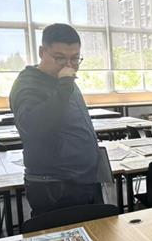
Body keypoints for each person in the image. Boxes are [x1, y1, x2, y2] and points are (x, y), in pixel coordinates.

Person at [10, 23, 103, 216]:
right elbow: (34, 127)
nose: (69, 65)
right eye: (60, 58)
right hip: (55, 185)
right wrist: (65, 84)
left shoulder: (63, 80)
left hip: (81, 179)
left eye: (75, 58)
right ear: (41, 52)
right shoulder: (28, 85)